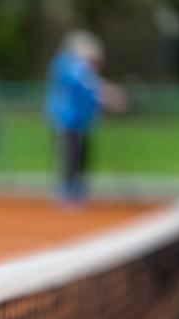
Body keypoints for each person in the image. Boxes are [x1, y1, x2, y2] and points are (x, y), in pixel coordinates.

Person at [45, 31, 126, 205]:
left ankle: (77, 188)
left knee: (81, 155)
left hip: (81, 122)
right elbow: (87, 83)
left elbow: (92, 90)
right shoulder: (69, 64)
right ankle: (67, 190)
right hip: (67, 120)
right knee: (70, 155)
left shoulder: (81, 68)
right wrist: (108, 93)